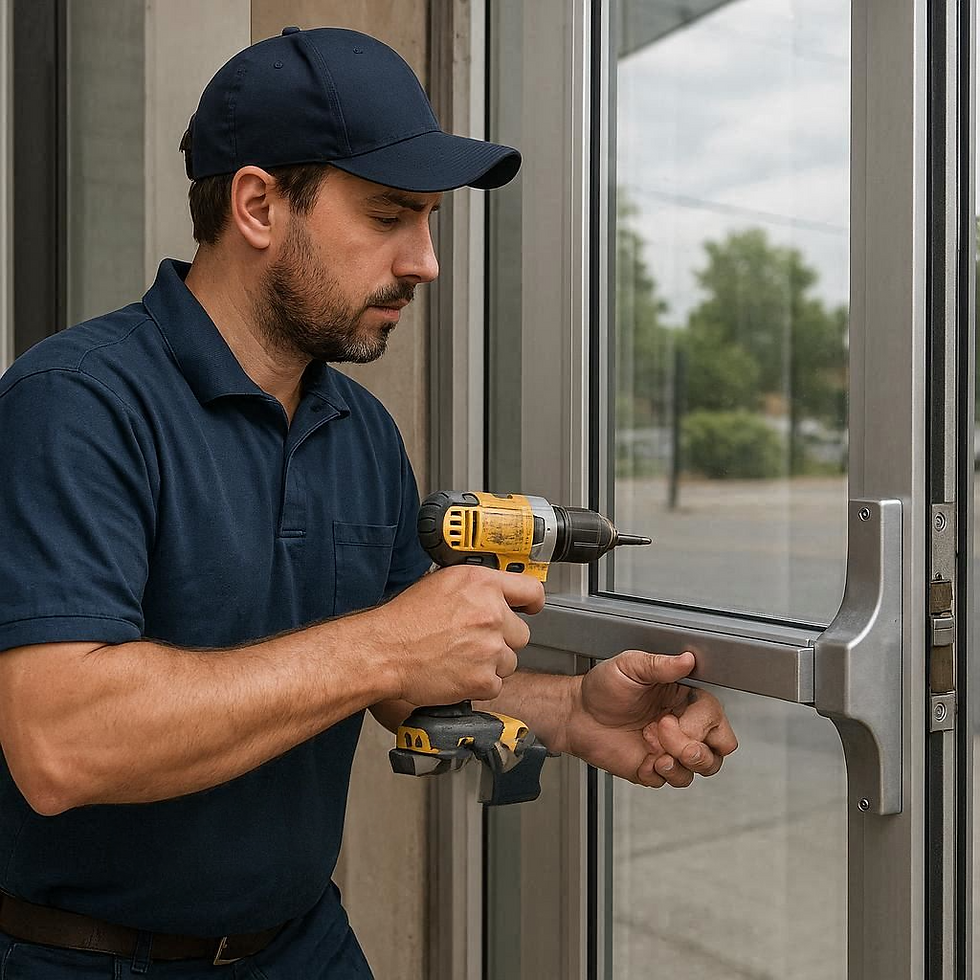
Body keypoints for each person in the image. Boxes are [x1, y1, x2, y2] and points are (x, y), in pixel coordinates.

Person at [0, 26, 737, 979]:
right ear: (259, 204)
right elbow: (62, 744)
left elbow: (402, 682)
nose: (426, 260)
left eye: (429, 221)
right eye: (390, 216)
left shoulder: (359, 429)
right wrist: (383, 642)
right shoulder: (79, 403)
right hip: (86, 960)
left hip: (303, 943)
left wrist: (573, 713)